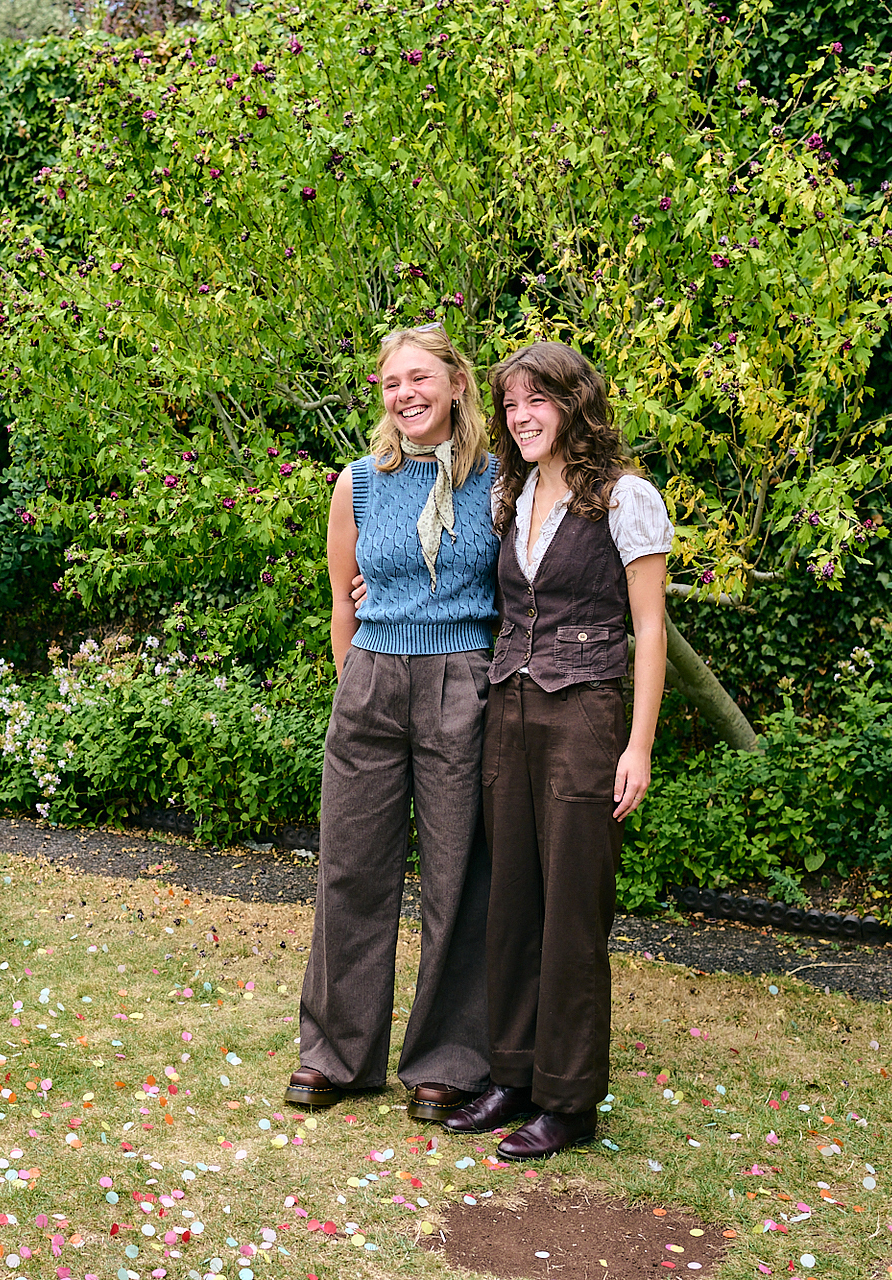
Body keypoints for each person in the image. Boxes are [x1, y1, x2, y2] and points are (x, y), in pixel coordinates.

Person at [440, 341, 670, 1159]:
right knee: (511, 901)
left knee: (572, 909)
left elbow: (650, 629)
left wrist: (638, 746)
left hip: (586, 717)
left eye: (536, 400)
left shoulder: (626, 497)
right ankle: (513, 1076)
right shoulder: (512, 492)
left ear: (574, 404)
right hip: (509, 710)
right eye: (509, 404)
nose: (520, 416)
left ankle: (569, 1102)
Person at [285, 325, 501, 1124]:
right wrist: (355, 679)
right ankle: (335, 1055)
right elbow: (342, 597)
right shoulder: (358, 484)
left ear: (455, 384)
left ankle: (448, 1061)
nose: (406, 394)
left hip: (461, 680)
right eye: (391, 383)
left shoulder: (499, 482)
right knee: (350, 868)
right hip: (372, 680)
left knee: (458, 878)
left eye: (420, 378)